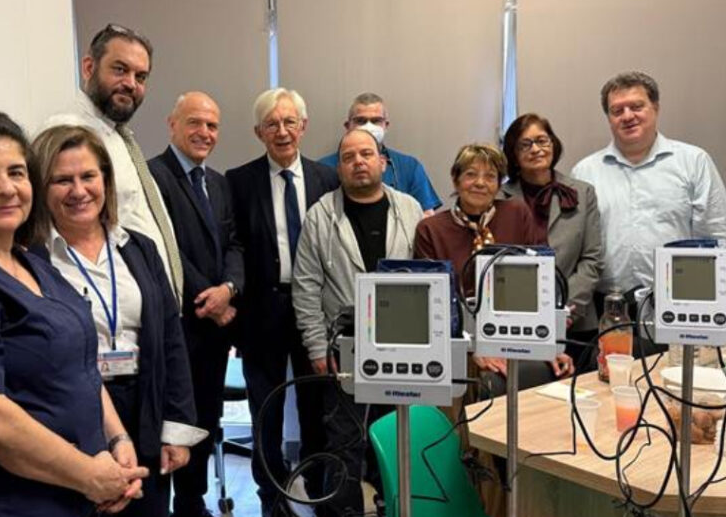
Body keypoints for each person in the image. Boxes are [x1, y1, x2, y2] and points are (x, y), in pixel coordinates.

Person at [0, 112, 148, 516]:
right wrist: (90, 475)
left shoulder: (34, 262)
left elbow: (81, 366)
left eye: (16, 172)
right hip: (13, 503)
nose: (6, 188)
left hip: (77, 493)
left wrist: (117, 439)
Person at [33, 124, 204, 516]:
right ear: (42, 187)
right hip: (75, 416)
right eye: (62, 180)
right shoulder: (33, 259)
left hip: (145, 404)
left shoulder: (138, 248)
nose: (79, 191)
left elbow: (171, 340)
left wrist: (177, 428)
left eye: (88, 176)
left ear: (106, 181)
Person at [294, 128, 424, 516]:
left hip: (403, 346)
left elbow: (428, 279)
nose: (358, 162)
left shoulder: (410, 210)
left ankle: (394, 508)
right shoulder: (320, 215)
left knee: (397, 439)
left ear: (383, 161)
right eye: (348, 157)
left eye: (366, 154)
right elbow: (306, 287)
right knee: (344, 444)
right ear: (339, 168)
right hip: (344, 351)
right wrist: (317, 348)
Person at [225, 88, 338, 515]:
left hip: (316, 313)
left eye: (290, 122)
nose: (282, 131)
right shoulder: (238, 181)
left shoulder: (327, 180)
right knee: (266, 413)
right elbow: (233, 245)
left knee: (317, 409)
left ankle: (318, 492)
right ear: (259, 132)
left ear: (303, 127)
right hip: (261, 313)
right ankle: (270, 500)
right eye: (272, 124)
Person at [148, 92, 244, 517]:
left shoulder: (218, 183)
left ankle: (192, 502)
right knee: (173, 421)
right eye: (195, 122)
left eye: (212, 125)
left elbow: (234, 243)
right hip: (178, 323)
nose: (204, 132)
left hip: (213, 331)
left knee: (205, 417)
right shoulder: (153, 177)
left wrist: (230, 288)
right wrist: (210, 297)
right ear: (172, 124)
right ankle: (163, 505)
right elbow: (164, 248)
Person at [414, 143, 574, 393]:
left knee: (553, 378)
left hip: (518, 332)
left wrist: (548, 344)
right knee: (487, 385)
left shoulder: (517, 213)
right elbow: (431, 304)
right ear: (455, 180)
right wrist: (473, 348)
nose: (480, 183)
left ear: (499, 184)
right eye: (471, 174)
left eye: (490, 176)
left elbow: (540, 282)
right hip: (458, 342)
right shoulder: (431, 229)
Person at [43, 23, 183, 303]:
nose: (131, 83)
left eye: (140, 76)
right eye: (120, 69)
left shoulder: (118, 137)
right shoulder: (65, 135)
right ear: (88, 67)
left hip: (150, 301)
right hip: (110, 305)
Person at [572, 71, 726, 316]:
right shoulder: (585, 172)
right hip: (608, 307)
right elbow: (578, 248)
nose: (627, 116)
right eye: (617, 110)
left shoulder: (693, 162)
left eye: (636, 106)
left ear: (655, 108)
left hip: (680, 303)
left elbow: (717, 235)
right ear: (609, 117)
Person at [502, 113, 603, 367]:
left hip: (575, 320)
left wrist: (564, 308)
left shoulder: (583, 192)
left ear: (553, 144)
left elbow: (592, 259)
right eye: (525, 144)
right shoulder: (499, 197)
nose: (536, 149)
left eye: (542, 140)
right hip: (518, 322)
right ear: (513, 154)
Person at [319, 92, 441, 214]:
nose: (368, 126)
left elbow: (427, 216)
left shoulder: (409, 166)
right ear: (348, 126)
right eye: (361, 121)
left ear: (386, 126)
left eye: (376, 121)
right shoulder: (322, 169)